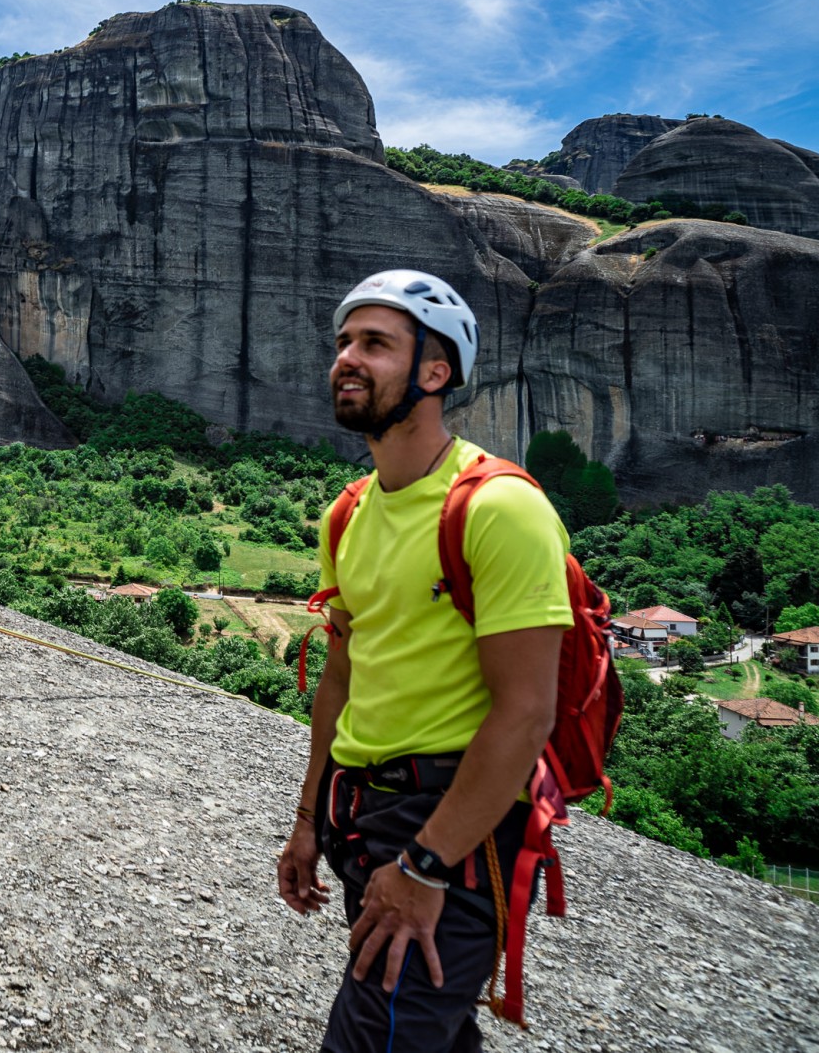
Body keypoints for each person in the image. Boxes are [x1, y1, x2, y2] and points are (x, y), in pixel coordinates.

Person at [276, 270, 572, 1053]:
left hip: (454, 830)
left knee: (376, 1038)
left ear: (435, 373)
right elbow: (341, 677)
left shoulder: (499, 508)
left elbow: (526, 712)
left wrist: (428, 866)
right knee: (430, 1035)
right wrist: (308, 821)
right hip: (363, 819)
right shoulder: (347, 514)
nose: (348, 357)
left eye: (376, 343)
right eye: (344, 341)